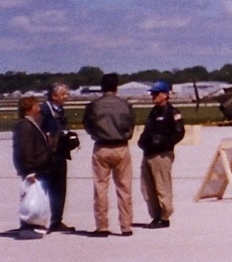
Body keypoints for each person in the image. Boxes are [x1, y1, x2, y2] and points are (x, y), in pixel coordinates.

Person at [82, 73, 136, 236]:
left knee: (100, 188)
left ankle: (102, 226)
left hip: (102, 147)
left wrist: (96, 134)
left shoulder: (94, 105)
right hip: (121, 147)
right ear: (116, 87)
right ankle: (126, 226)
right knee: (124, 188)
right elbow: (131, 124)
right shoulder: (125, 105)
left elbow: (87, 124)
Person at [138, 81, 185, 228]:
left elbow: (179, 132)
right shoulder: (153, 112)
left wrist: (164, 142)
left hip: (162, 154)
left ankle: (164, 216)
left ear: (165, 95)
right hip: (148, 153)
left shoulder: (172, 112)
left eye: (156, 94)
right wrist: (143, 141)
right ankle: (155, 215)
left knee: (162, 185)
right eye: (152, 93)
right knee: (147, 188)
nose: (153, 96)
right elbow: (147, 131)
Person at [39, 82, 78, 232]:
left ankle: (57, 220)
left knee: (60, 188)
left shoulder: (60, 110)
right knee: (44, 188)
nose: (66, 97)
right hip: (47, 155)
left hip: (60, 153)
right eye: (63, 94)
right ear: (54, 96)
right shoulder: (43, 110)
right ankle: (39, 220)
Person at [14, 96, 55, 232]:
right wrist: (29, 170)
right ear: (29, 108)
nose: (39, 108)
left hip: (40, 167)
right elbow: (26, 149)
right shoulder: (24, 126)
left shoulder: (33, 123)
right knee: (31, 198)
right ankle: (28, 224)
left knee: (37, 197)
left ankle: (34, 222)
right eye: (36, 106)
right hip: (33, 168)